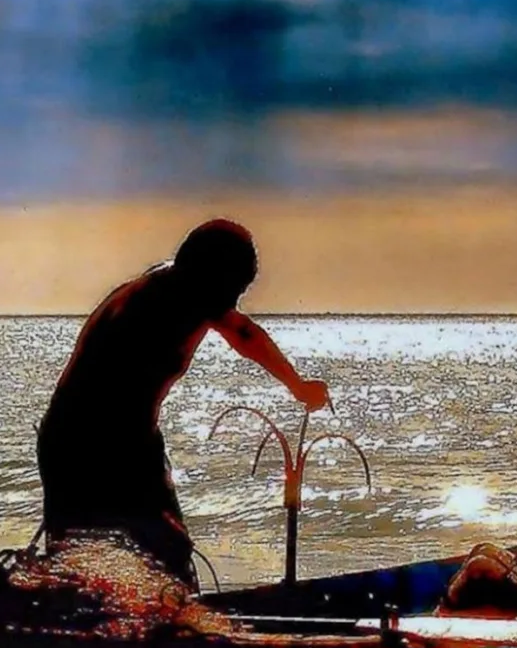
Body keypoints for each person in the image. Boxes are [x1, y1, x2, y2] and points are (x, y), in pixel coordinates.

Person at [35, 219, 327, 588]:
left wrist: (296, 385)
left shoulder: (183, 288)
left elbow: (243, 332)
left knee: (153, 555)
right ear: (207, 272)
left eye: (242, 289)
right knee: (139, 553)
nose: (235, 300)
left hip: (126, 438)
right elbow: (108, 399)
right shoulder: (158, 303)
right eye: (234, 286)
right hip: (85, 441)